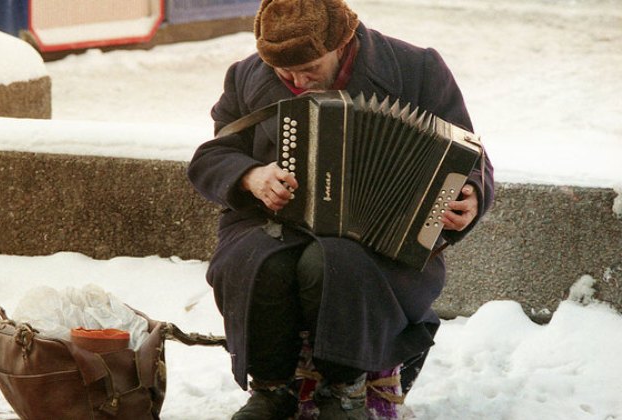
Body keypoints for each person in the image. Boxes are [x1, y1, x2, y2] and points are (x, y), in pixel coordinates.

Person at [187, 0, 495, 418]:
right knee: (253, 262)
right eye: (284, 73)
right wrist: (251, 176)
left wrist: (472, 194)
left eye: (310, 68)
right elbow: (214, 153)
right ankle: (270, 388)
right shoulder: (246, 75)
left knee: (333, 264)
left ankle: (346, 388)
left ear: (342, 40)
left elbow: (470, 154)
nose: (297, 80)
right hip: (272, 221)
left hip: (382, 235)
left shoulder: (416, 68)